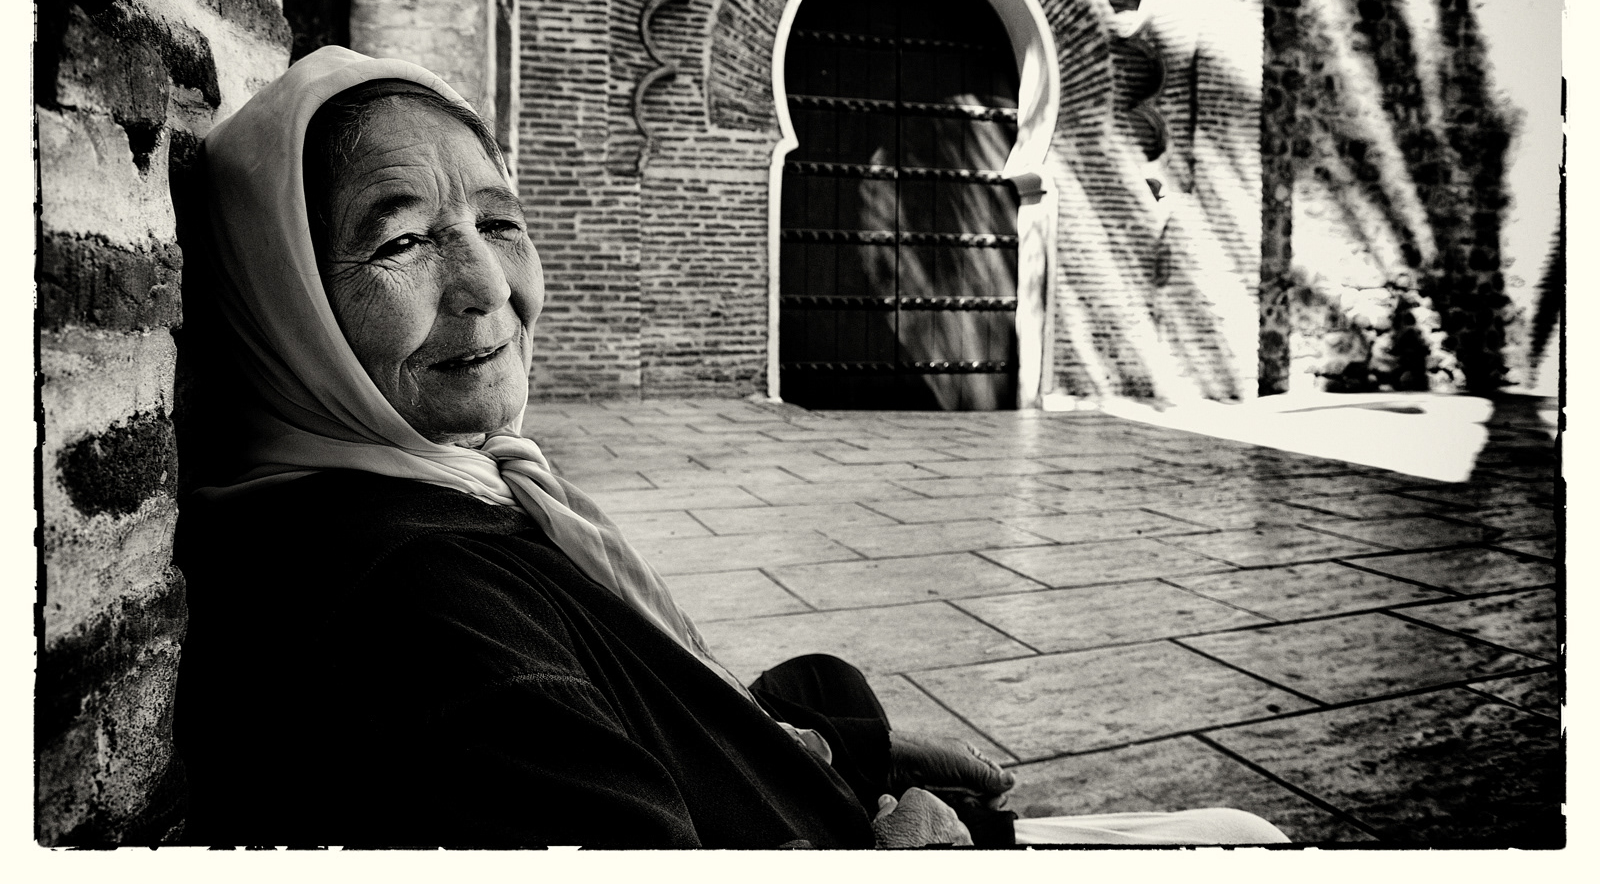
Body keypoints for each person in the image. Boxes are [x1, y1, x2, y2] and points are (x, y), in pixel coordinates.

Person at [173, 46, 1289, 849]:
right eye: (404, 239)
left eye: (500, 224)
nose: (485, 289)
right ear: (283, 300)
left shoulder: (440, 495)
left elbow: (611, 724)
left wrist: (834, 745)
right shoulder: (409, 595)